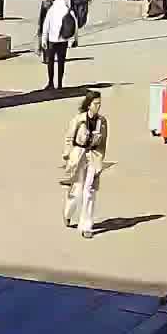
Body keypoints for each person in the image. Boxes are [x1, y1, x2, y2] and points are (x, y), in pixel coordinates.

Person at [60, 91, 108, 238]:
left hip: (93, 156)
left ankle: (86, 226)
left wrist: (100, 161)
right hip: (78, 154)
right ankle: (68, 212)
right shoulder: (78, 120)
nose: (98, 107)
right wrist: (68, 154)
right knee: (77, 189)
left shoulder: (102, 122)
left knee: (90, 191)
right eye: (95, 104)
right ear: (88, 105)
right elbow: (69, 138)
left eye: (99, 104)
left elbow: (103, 143)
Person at [42, 0, 78, 89]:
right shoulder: (68, 11)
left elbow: (46, 25)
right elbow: (74, 26)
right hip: (64, 40)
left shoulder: (52, 10)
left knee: (51, 62)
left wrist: (44, 39)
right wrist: (74, 40)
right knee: (61, 62)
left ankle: (50, 82)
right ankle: (60, 83)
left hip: (52, 40)